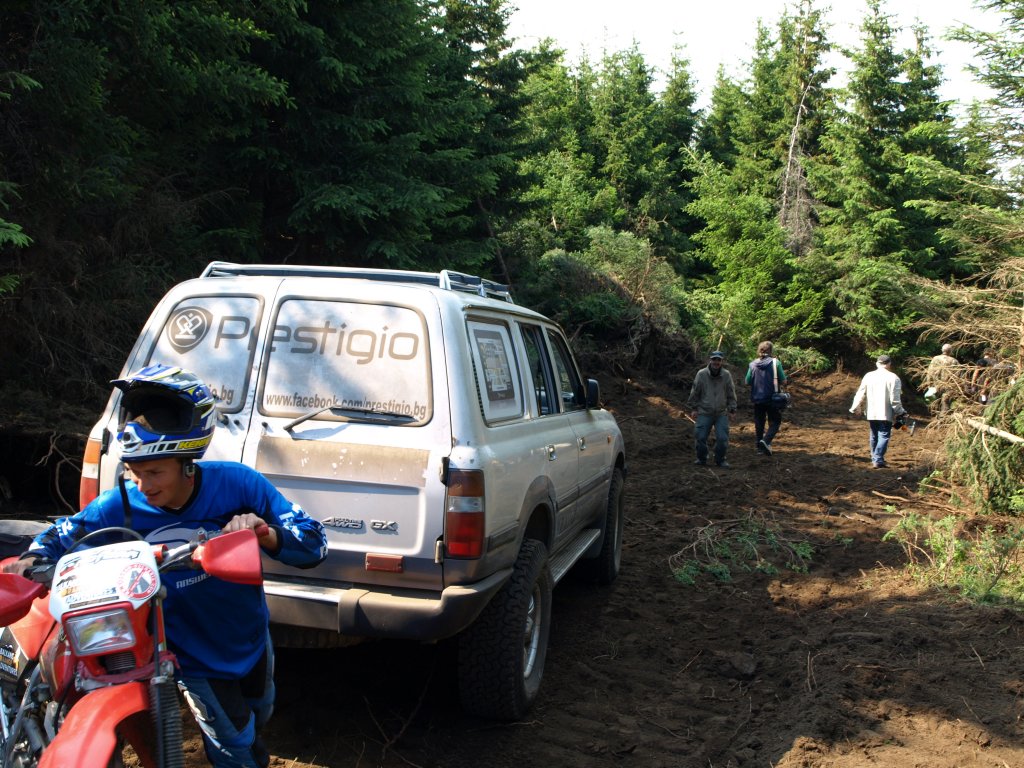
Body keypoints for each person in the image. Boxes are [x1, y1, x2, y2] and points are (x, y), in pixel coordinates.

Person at [4, 364, 328, 768]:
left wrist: (266, 534)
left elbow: (314, 543)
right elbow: (58, 537)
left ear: (188, 464)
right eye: (133, 472)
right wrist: (33, 561)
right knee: (237, 745)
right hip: (184, 648)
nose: (144, 485)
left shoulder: (239, 485)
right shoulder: (118, 506)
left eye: (155, 472)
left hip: (248, 635)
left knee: (257, 715)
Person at [849, 354, 907, 469]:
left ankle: (875, 457)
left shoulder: (869, 376)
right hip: (885, 413)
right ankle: (878, 459)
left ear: (877, 363)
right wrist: (901, 412)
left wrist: (855, 407)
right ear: (889, 364)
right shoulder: (893, 378)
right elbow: (895, 400)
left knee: (874, 435)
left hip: (871, 411)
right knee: (884, 435)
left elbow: (860, 393)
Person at [687, 350, 737, 467]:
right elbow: (695, 392)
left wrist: (732, 410)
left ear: (721, 361)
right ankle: (702, 458)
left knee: (722, 438)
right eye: (714, 359)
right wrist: (694, 408)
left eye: (718, 360)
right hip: (704, 411)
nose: (716, 362)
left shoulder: (726, 375)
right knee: (700, 436)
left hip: (721, 413)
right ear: (710, 360)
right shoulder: (701, 374)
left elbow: (731, 393)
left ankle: (720, 460)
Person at [745, 340, 787, 456]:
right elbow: (784, 381)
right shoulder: (775, 363)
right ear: (771, 350)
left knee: (759, 423)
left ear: (759, 351)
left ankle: (759, 448)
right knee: (775, 422)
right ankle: (766, 441)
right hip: (773, 399)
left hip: (757, 399)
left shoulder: (752, 364)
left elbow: (747, 381)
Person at [924, 343, 958, 414]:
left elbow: (930, 372)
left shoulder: (935, 359)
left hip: (936, 385)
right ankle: (944, 420)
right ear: (951, 351)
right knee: (945, 404)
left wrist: (929, 384)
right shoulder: (954, 361)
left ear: (942, 350)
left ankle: (936, 418)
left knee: (936, 403)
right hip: (949, 386)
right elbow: (957, 376)